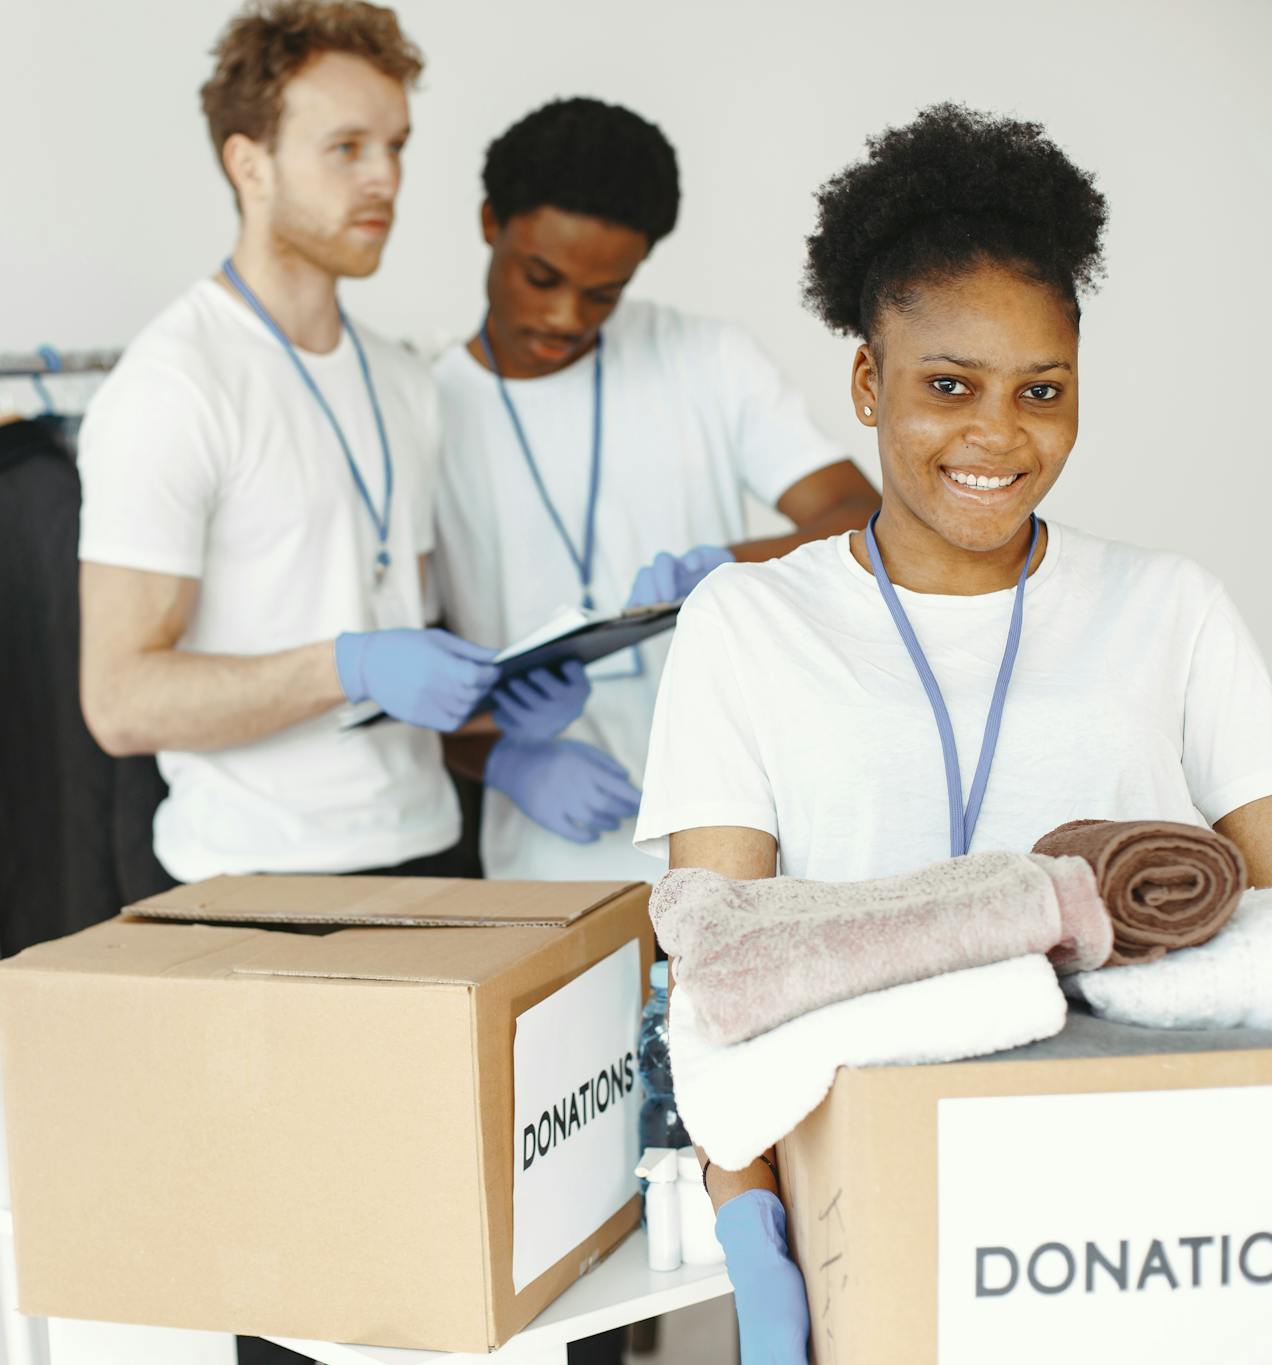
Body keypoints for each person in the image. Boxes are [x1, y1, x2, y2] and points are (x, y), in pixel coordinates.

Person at [632, 104, 1272, 1362]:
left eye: (1041, 390)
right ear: (865, 383)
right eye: (945, 387)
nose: (994, 435)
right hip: (865, 1189)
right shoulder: (746, 625)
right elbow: (722, 988)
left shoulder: (1166, 607)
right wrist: (756, 1247)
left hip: (1135, 1198)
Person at [77, 0, 500, 898]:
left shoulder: (405, 380)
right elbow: (118, 701)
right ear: (249, 163)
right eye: (346, 148)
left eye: (397, 146)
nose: (384, 178)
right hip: (252, 878)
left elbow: (404, 621)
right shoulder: (173, 386)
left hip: (432, 852)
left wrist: (506, 713)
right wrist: (347, 665)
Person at [433, 97, 881, 882]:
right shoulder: (424, 413)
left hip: (739, 844)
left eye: (604, 293)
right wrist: (506, 758)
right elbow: (412, 682)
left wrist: (730, 565)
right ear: (487, 222)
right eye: (541, 276)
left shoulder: (706, 360)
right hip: (546, 867)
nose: (566, 315)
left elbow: (865, 517)